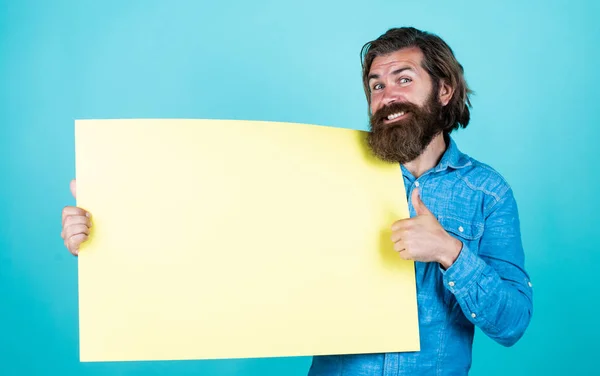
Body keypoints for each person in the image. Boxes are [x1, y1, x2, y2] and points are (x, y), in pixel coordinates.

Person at [61, 27, 533, 376]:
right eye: (376, 85)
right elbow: (218, 228)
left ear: (444, 90)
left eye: (403, 79)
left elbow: (512, 324)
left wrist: (449, 251)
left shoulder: (487, 192)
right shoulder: (328, 170)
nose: (387, 96)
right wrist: (108, 234)